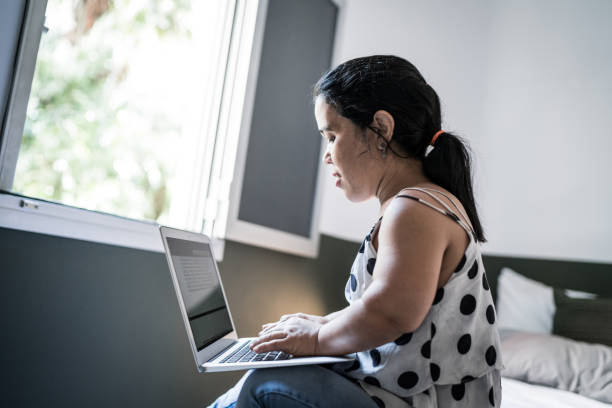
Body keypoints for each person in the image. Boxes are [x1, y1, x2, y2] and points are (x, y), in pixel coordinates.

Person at [209, 55, 503, 408]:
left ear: (380, 128)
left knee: (266, 382)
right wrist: (325, 321)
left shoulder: (414, 208)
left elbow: (391, 313)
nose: (326, 156)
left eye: (332, 136)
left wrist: (317, 338)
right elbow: (387, 304)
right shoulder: (422, 203)